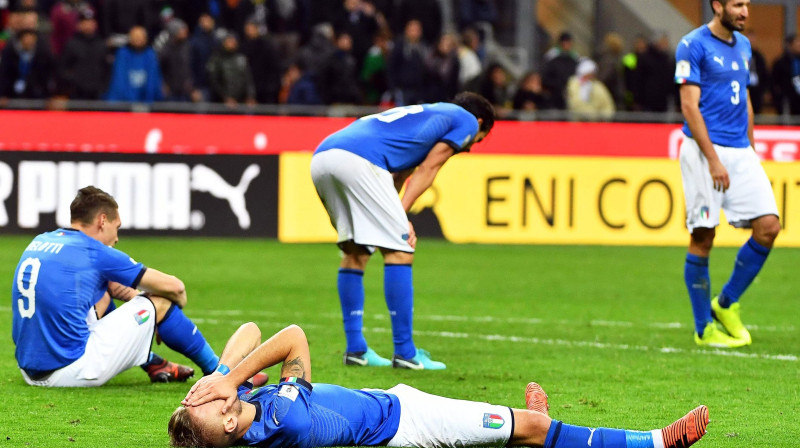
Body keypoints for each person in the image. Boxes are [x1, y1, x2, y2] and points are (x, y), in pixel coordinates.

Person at [170, 322, 709, 448]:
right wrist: (229, 378)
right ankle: (658, 441)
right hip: (407, 425)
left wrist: (218, 376)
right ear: (222, 419)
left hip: (396, 406)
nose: (212, 395)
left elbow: (249, 334)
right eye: (206, 403)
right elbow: (291, 338)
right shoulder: (284, 421)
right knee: (534, 426)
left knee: (514, 430)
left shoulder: (248, 415)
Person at [309, 92, 494, 370]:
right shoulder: (466, 120)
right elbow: (428, 169)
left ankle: (356, 349)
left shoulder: (425, 116)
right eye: (480, 138)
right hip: (360, 161)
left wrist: (393, 214)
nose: (470, 146)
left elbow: (400, 175)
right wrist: (401, 218)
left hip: (323, 157)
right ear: (480, 122)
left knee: (356, 251)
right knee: (400, 249)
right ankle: (406, 353)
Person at [12, 186, 244, 386]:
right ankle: (219, 372)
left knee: (103, 296)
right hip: (69, 370)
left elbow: (110, 285)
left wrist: (145, 313)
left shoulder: (41, 240)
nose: (117, 238)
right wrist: (165, 309)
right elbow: (176, 288)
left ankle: (155, 363)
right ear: (103, 220)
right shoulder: (95, 252)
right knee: (161, 302)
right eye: (117, 227)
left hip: (29, 372)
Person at [675, 0, 780, 348]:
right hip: (705, 151)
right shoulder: (692, 45)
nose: (745, 11)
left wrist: (751, 147)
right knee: (703, 235)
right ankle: (704, 328)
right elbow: (689, 106)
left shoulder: (745, 45)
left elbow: (744, 98)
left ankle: (726, 303)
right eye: (737, 4)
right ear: (717, 5)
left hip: (740, 150)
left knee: (769, 226)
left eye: (747, 4)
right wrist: (713, 159)